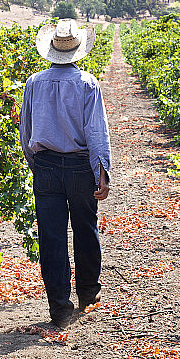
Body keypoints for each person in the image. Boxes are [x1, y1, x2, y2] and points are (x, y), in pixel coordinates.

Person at [19, 19, 112, 328]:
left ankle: (59, 309)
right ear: (78, 51)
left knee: (52, 238)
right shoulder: (88, 83)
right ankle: (88, 297)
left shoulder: (34, 83)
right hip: (78, 166)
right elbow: (96, 132)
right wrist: (101, 171)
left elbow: (26, 133)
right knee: (86, 230)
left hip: (45, 167)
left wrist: (38, 165)